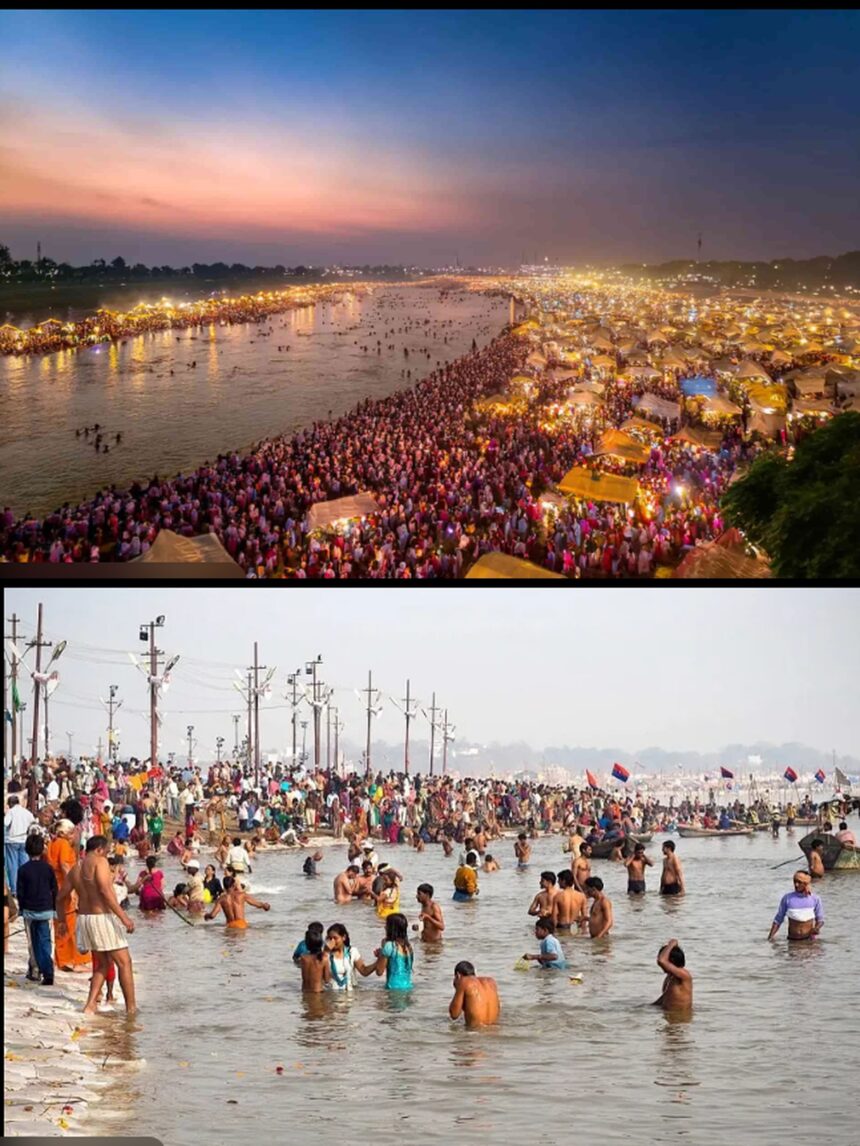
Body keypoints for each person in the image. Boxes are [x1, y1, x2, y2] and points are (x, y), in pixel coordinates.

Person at [55, 835, 136, 1015]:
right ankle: (131, 1009)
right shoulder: (100, 862)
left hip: (84, 919)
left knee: (102, 963)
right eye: (107, 851)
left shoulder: (76, 868)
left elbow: (61, 897)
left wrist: (61, 921)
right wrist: (124, 918)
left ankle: (90, 1005)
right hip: (101, 918)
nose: (107, 855)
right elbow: (105, 891)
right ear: (99, 850)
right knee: (124, 962)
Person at [46, 819, 91, 973]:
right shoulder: (63, 845)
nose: (73, 835)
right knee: (70, 923)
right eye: (71, 832)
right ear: (63, 833)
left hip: (55, 889)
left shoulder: (53, 843)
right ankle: (73, 960)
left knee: (61, 923)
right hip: (64, 889)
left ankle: (64, 959)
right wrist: (72, 889)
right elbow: (65, 866)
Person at [16, 832, 57, 986]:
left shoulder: (23, 870)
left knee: (33, 943)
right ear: (42, 850)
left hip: (30, 911)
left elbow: (20, 892)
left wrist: (21, 909)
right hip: (46, 910)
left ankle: (35, 970)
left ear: (26, 850)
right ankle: (48, 971)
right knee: (45, 941)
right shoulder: (48, 868)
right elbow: (54, 889)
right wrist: (54, 908)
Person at [768, 871, 824, 942]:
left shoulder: (815, 899)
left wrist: (817, 928)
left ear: (806, 883)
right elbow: (778, 920)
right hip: (792, 941)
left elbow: (820, 920)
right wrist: (770, 938)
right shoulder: (787, 898)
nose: (796, 885)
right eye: (794, 881)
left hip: (809, 941)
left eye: (799, 882)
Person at [365, 912, 413, 989]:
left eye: (387, 925)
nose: (385, 927)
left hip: (393, 988)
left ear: (392, 928)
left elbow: (379, 972)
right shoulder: (409, 947)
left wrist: (381, 954)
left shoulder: (389, 946)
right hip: (408, 987)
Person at [204, 875, 270, 929]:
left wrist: (207, 915)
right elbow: (257, 904)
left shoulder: (221, 899)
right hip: (241, 925)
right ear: (234, 885)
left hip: (230, 926)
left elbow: (212, 915)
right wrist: (264, 905)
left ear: (224, 886)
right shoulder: (242, 895)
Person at [448, 961, 500, 1027]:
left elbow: (454, 1014)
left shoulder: (464, 982)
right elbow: (498, 1008)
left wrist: (458, 988)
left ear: (458, 975)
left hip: (475, 1034)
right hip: (494, 1031)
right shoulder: (491, 982)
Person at [5, 795, 35, 897]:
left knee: (12, 866)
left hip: (12, 841)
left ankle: (14, 890)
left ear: (11, 804)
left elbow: (6, 823)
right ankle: (26, 887)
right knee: (25, 864)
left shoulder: (11, 812)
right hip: (24, 840)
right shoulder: (26, 812)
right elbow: (33, 822)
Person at [325, 923, 369, 990]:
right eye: (330, 938)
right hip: (332, 995)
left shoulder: (352, 952)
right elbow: (322, 978)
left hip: (350, 995)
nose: (332, 941)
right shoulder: (325, 955)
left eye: (335, 938)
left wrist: (379, 960)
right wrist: (325, 952)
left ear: (344, 937)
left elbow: (364, 971)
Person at [654, 939, 693, 1011]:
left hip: (681, 1018)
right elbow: (667, 996)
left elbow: (661, 961)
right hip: (670, 1015)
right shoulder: (670, 977)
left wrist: (672, 943)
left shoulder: (683, 975)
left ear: (671, 960)